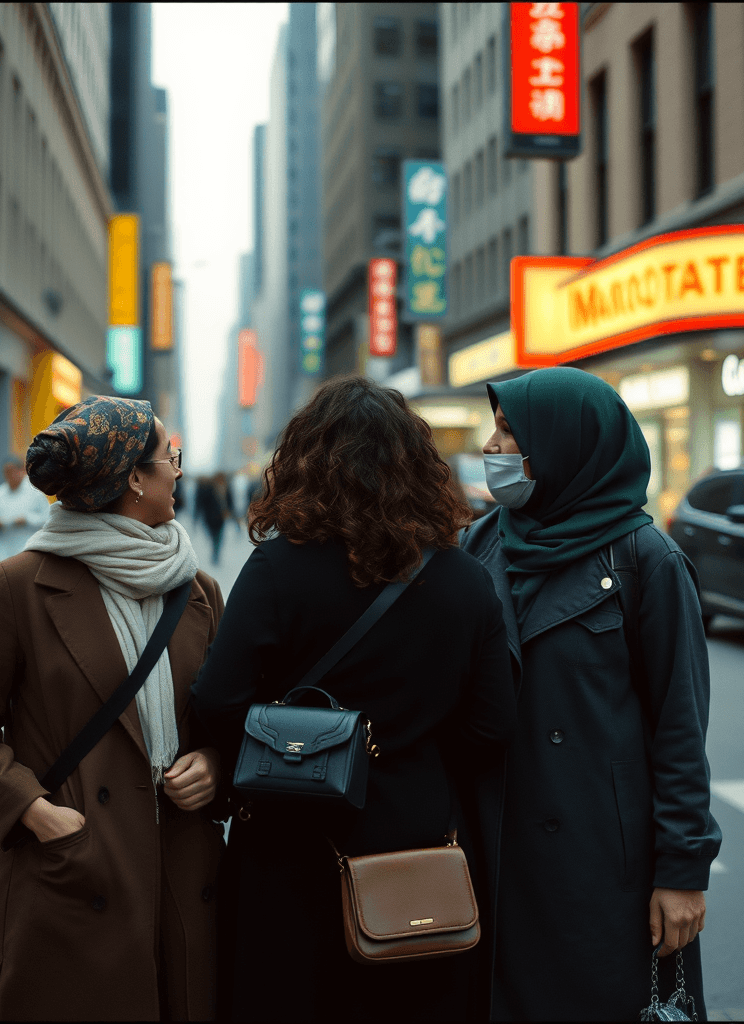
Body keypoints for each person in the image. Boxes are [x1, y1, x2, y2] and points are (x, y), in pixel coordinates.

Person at [191, 376, 516, 1022]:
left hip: (289, 847)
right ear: (421, 468)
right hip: (417, 855)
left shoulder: (277, 570)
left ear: (306, 463)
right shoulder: (467, 582)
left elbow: (217, 703)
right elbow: (491, 727)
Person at [0, 396, 226, 1021]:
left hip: (181, 868)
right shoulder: (22, 584)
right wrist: (35, 813)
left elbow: (226, 716)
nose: (178, 470)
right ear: (135, 480)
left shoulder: (195, 589)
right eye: (167, 459)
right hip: (74, 872)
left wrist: (215, 762)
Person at [462, 368, 721, 1021]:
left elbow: (681, 728)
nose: (491, 447)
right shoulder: (483, 542)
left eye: (509, 432)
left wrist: (683, 871)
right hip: (496, 858)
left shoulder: (645, 560)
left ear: (563, 445)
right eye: (495, 428)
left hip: (605, 869)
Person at [0, 455, 49, 564]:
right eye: (6, 472)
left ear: (21, 471)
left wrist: (27, 519)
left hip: (27, 548)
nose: (9, 475)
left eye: (12, 471)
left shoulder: (35, 492)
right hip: (3, 551)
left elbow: (48, 519)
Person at [194, 473, 228, 566]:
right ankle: (215, 552)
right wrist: (196, 517)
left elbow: (229, 501)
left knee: (219, 537)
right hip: (210, 518)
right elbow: (200, 504)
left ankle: (215, 553)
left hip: (221, 518)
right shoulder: (207, 489)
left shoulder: (225, 488)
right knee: (213, 537)